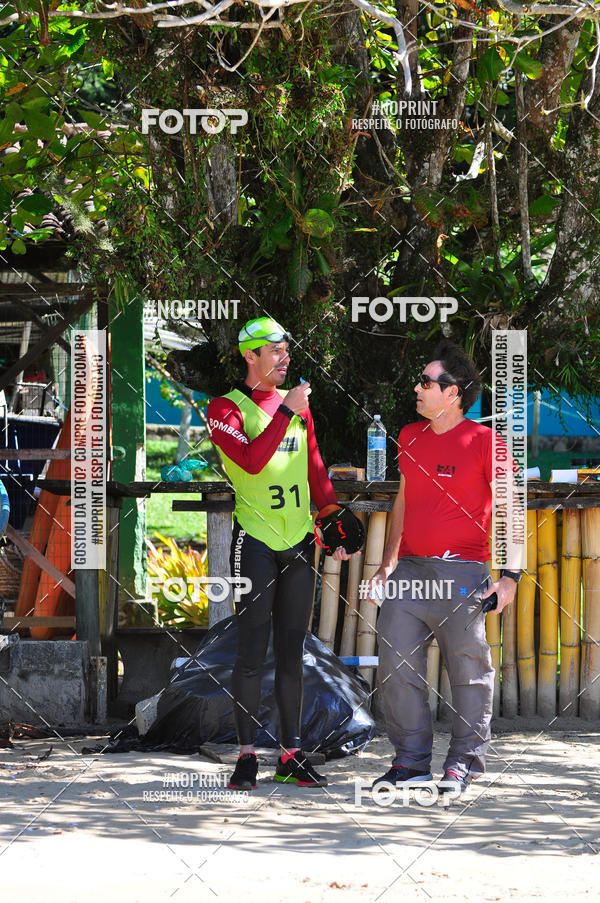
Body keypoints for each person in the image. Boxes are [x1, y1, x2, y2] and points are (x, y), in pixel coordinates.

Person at [369, 340, 522, 796]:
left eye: (426, 382)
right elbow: (404, 500)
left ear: (453, 392)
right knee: (395, 668)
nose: (417, 388)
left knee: (470, 672)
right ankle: (410, 763)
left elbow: (513, 509)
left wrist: (511, 577)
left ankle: (463, 764)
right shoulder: (408, 436)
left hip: (464, 575)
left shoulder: (486, 442)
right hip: (410, 573)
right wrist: (386, 563)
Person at [207, 316, 351, 791]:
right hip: (255, 543)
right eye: (275, 350)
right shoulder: (225, 408)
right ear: (250, 356)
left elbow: (312, 463)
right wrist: (288, 411)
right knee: (251, 653)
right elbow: (250, 461)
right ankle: (247, 756)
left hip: (299, 542)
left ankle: (291, 755)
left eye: (287, 350)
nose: (285, 358)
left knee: (293, 653)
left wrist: (331, 514)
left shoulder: (297, 407)